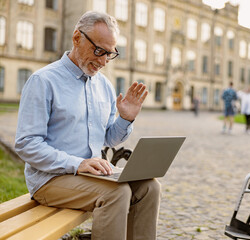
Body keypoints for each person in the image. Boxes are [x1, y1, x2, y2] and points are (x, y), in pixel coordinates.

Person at [15, 11, 161, 240]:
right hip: (49, 180)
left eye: (110, 54)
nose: (103, 62)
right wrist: (79, 163)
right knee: (117, 193)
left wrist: (126, 118)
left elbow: (109, 139)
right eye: (98, 51)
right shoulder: (43, 81)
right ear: (76, 38)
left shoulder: (104, 85)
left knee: (150, 188)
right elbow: (26, 144)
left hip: (91, 176)